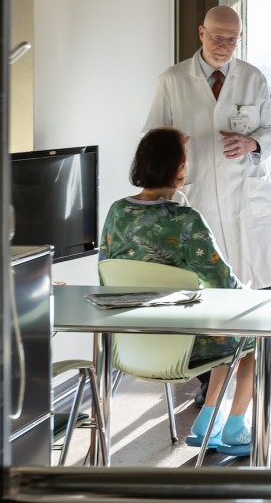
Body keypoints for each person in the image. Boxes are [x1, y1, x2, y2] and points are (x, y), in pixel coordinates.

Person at [143, 4, 271, 409]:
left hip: (248, 202)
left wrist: (253, 143)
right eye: (217, 36)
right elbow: (153, 137)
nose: (224, 46)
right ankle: (209, 388)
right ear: (201, 32)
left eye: (232, 39)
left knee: (267, 292)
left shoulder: (251, 77)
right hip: (199, 202)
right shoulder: (172, 80)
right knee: (209, 297)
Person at [99, 127, 258, 456]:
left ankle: (208, 421)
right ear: (179, 169)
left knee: (225, 334)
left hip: (128, 343)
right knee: (252, 339)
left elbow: (105, 271)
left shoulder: (117, 212)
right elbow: (224, 283)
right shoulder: (185, 220)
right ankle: (233, 425)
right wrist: (252, 295)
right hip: (181, 346)